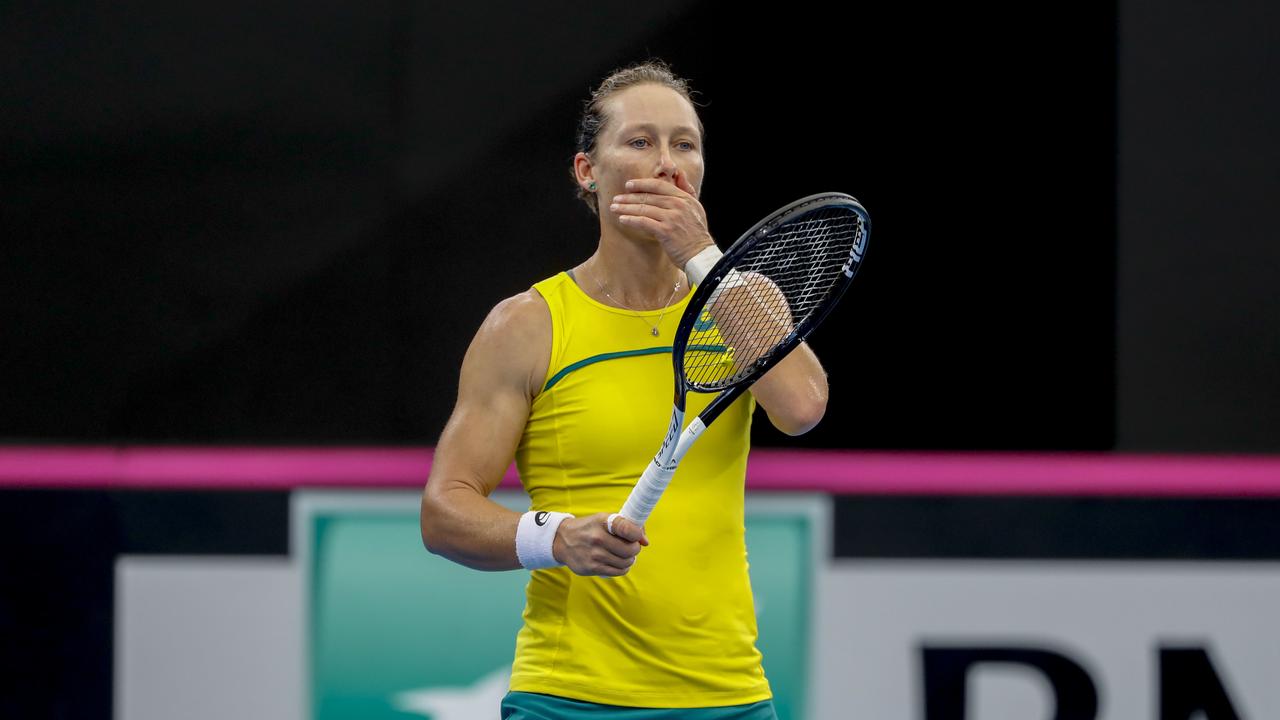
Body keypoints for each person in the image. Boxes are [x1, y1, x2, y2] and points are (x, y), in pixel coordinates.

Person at [419, 59, 829, 719]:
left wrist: (699, 254)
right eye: (640, 141)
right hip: (569, 697)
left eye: (684, 144)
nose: (667, 162)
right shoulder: (527, 325)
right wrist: (554, 537)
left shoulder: (742, 304)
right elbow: (443, 513)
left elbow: (803, 408)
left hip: (730, 697)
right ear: (588, 170)